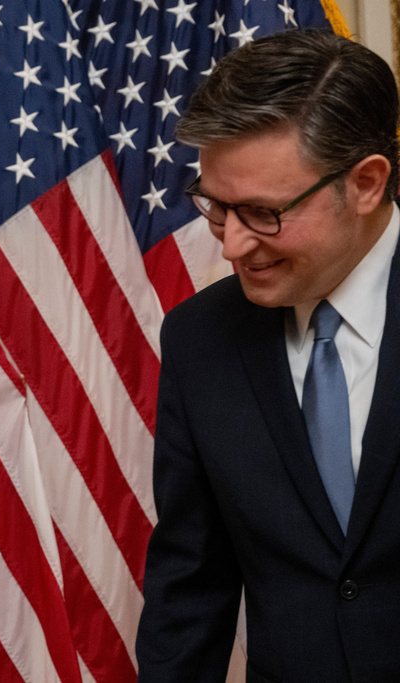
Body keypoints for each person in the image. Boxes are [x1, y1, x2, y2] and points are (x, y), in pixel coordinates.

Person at [136, 29, 400, 682]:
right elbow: (190, 585)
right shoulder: (201, 338)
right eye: (217, 208)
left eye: (262, 212)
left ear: (366, 183)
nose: (231, 246)